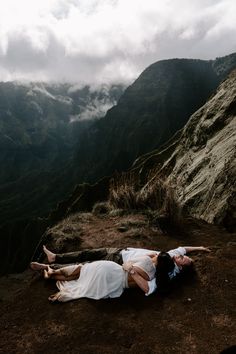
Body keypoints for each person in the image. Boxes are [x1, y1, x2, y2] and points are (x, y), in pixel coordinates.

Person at [39, 251, 176, 302]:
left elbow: (126, 264)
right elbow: (144, 286)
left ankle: (51, 272)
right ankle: (51, 275)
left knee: (82, 270)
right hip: (115, 284)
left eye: (157, 255)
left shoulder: (147, 261)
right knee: (80, 281)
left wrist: (131, 267)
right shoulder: (153, 277)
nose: (155, 255)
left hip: (111, 270)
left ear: (158, 260)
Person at [31, 245, 210, 280]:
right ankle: (55, 257)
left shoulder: (168, 268)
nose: (179, 255)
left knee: (85, 265)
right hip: (120, 250)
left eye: (182, 259)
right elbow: (184, 248)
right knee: (87, 253)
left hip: (118, 260)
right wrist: (200, 248)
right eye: (181, 256)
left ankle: (51, 267)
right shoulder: (172, 256)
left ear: (180, 266)